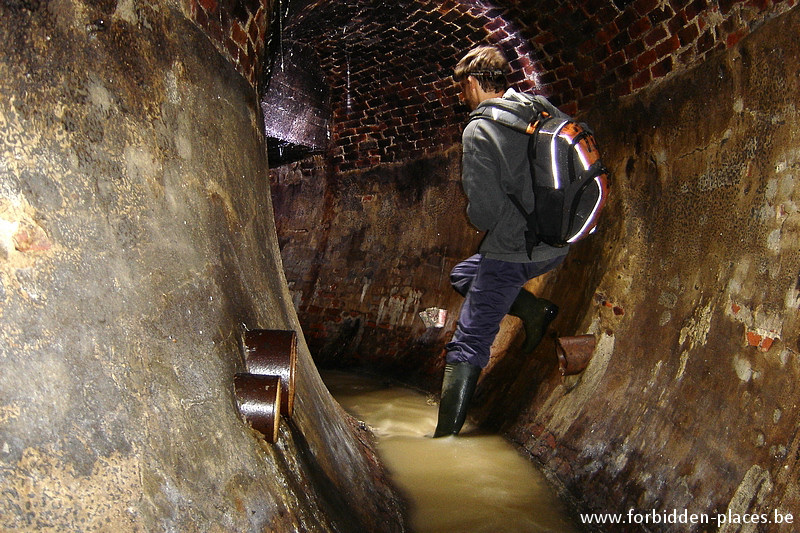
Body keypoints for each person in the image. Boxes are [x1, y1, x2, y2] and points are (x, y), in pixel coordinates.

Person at [433, 45, 571, 438]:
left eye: (463, 88)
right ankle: (533, 311)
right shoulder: (540, 107)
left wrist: (477, 215)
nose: (463, 96)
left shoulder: (479, 129)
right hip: (559, 241)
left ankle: (442, 443)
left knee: (469, 341)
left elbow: (485, 214)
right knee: (464, 273)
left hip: (513, 251)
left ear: (474, 83)